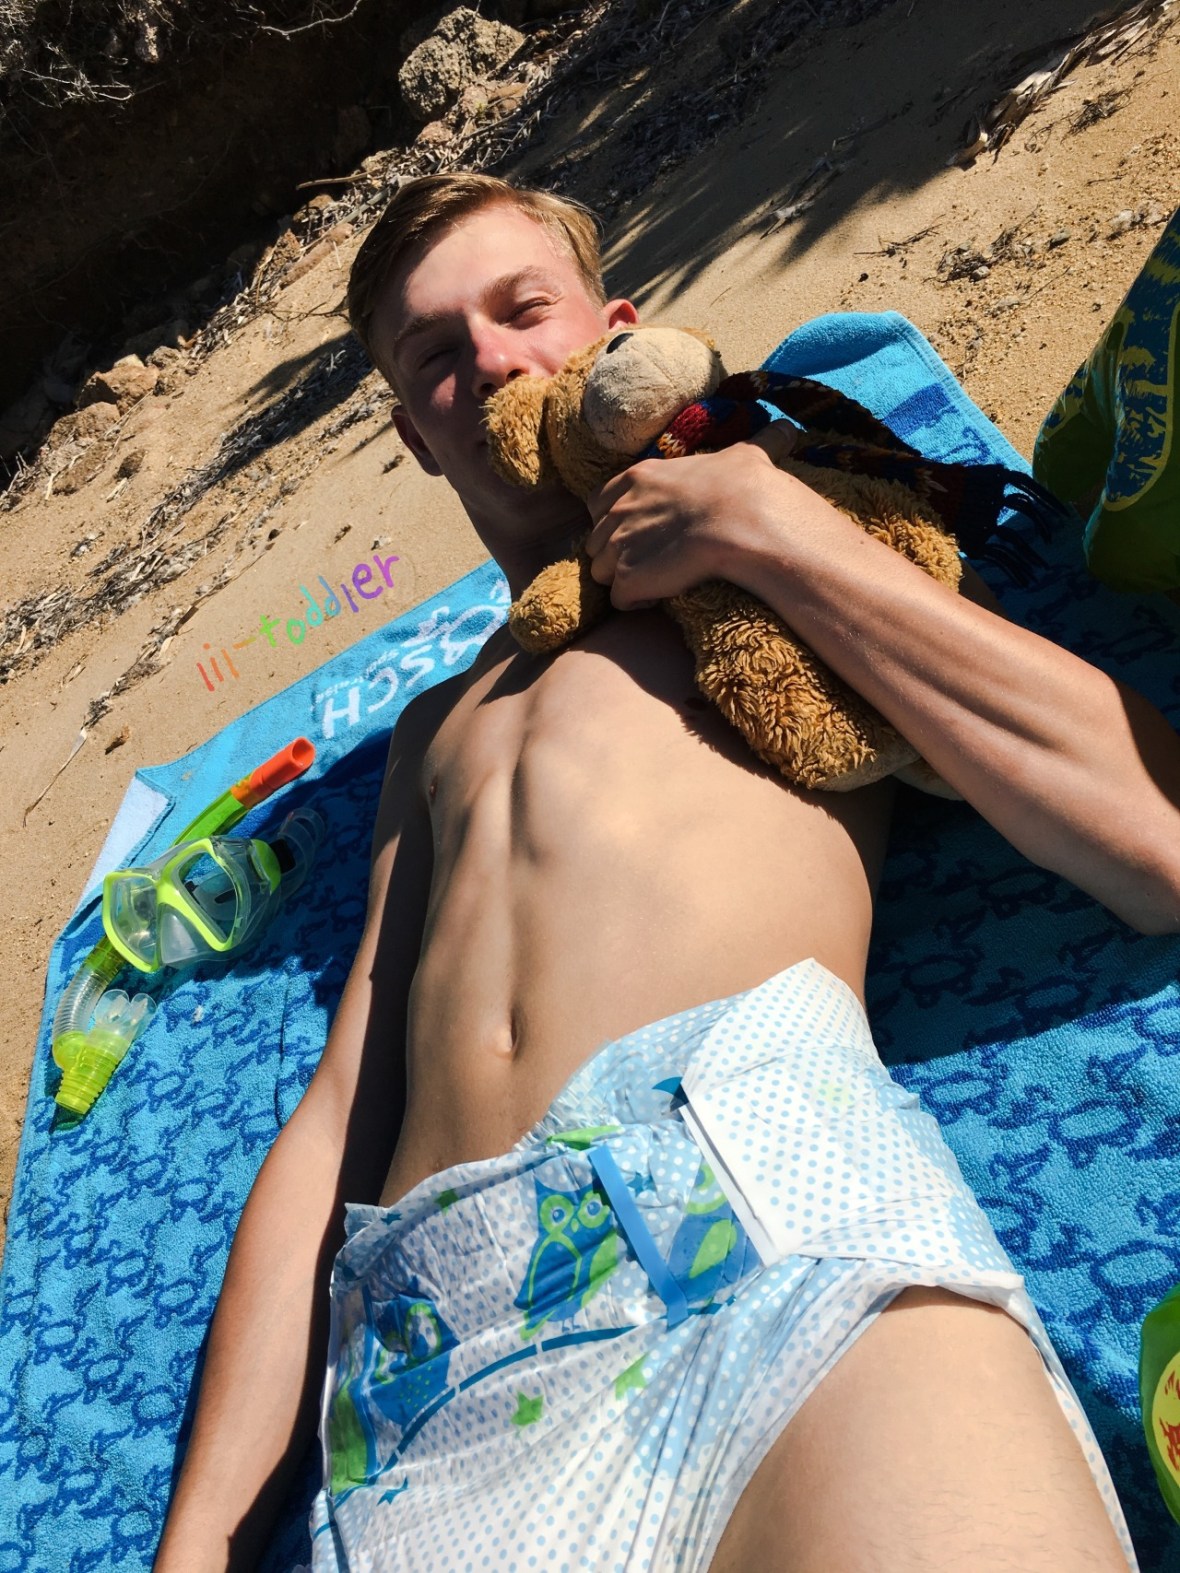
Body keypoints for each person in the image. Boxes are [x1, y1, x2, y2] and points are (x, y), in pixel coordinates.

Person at [155, 174, 1180, 1573]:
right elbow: (343, 1109)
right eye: (436, 355)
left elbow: (1152, 837)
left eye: (523, 310)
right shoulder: (435, 728)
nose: (491, 364)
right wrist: (201, 1545)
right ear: (413, 435)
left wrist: (767, 527)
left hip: (770, 1206)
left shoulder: (795, 534)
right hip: (438, 1344)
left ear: (620, 335)